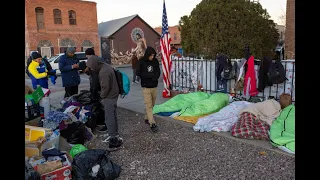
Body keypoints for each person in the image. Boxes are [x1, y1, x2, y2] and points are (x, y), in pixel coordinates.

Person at [85, 54, 123, 150]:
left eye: (91, 66)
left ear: (94, 64)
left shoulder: (103, 72)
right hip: (113, 94)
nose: (91, 69)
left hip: (109, 96)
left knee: (109, 117)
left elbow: (105, 87)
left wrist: (101, 96)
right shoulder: (106, 66)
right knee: (112, 115)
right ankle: (114, 133)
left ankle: (113, 136)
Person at [136, 46, 161, 132]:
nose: (152, 57)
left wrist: (155, 77)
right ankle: (152, 123)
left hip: (154, 86)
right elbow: (138, 72)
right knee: (148, 105)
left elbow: (158, 72)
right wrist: (148, 76)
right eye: (151, 55)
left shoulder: (155, 61)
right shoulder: (141, 61)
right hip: (146, 87)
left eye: (153, 55)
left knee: (152, 104)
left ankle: (147, 117)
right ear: (147, 55)